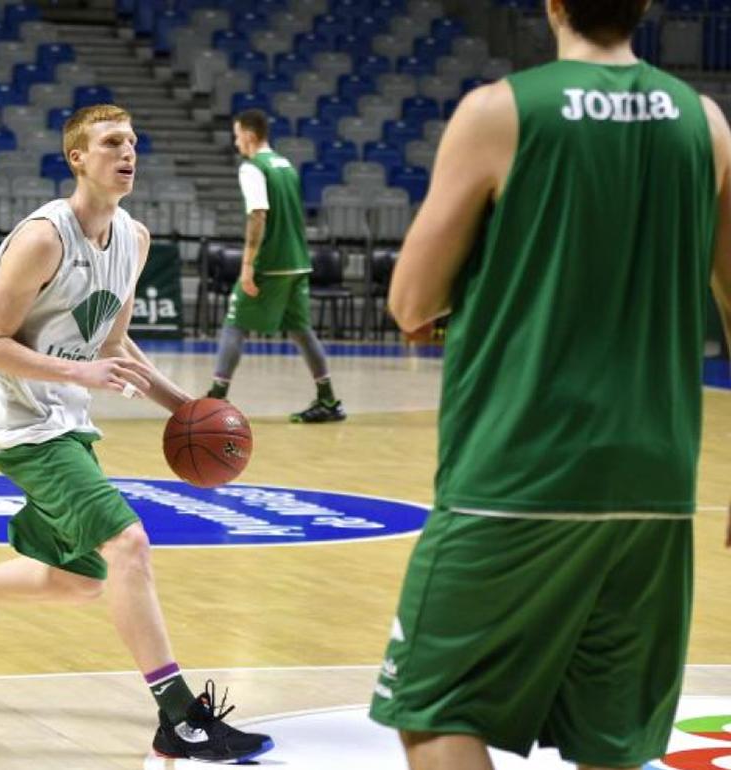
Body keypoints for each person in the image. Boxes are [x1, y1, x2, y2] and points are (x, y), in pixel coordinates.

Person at [369, 0, 731, 769]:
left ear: (552, 4)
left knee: (435, 710)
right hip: (657, 484)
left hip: (517, 470)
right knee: (611, 745)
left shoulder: (499, 113)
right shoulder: (706, 124)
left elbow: (411, 301)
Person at [0, 104, 274, 763]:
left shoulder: (136, 238)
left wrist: (188, 409)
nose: (127, 153)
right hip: (22, 428)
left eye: (133, 142)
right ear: (78, 157)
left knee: (81, 581)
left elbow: (115, 341)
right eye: (110, 143)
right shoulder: (44, 237)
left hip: (68, 423)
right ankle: (179, 717)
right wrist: (80, 369)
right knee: (128, 544)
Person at [205, 109, 346, 423]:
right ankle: (328, 400)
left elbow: (258, 214)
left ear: (250, 136)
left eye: (237, 134)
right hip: (298, 262)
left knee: (234, 323)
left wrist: (247, 265)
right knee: (301, 331)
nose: (236, 141)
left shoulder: (253, 167)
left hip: (271, 263)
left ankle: (215, 398)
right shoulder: (287, 166)